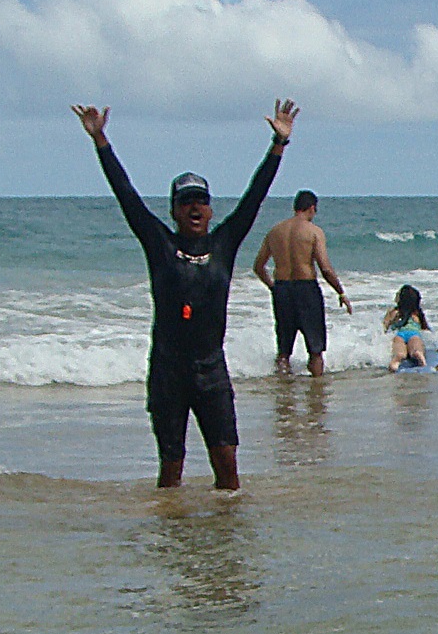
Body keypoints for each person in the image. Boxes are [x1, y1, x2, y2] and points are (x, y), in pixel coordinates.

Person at [72, 99, 297, 490]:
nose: (195, 207)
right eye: (186, 201)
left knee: (227, 467)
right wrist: (101, 142)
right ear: (175, 210)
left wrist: (277, 146)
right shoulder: (158, 243)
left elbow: (254, 197)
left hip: (211, 371)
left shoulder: (225, 242)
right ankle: (172, 542)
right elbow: (126, 195)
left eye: (201, 201)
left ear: (210, 210)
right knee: (171, 471)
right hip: (167, 372)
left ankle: (226, 538)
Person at [253, 189, 350, 376]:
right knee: (315, 350)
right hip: (306, 290)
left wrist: (273, 287)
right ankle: (317, 395)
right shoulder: (314, 232)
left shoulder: (275, 231)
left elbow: (258, 266)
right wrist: (341, 292)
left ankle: (283, 396)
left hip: (282, 289)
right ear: (312, 208)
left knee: (283, 351)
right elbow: (326, 268)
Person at [383, 284, 431, 372]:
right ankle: (418, 354)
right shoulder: (417, 314)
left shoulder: (394, 312)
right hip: (414, 334)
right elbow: (425, 328)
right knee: (416, 344)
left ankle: (398, 358)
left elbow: (385, 326)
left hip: (399, 334)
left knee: (399, 348)